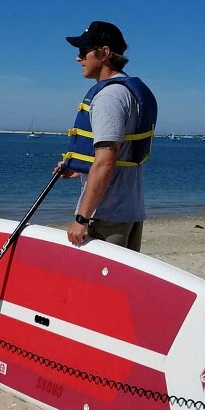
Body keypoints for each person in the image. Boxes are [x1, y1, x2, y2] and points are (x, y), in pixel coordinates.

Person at [56, 21, 158, 252]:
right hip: (129, 213)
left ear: (104, 53)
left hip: (106, 217)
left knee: (95, 287)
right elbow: (120, 156)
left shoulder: (109, 97)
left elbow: (106, 161)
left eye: (83, 51)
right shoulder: (128, 92)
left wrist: (82, 219)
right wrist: (80, 168)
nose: (78, 58)